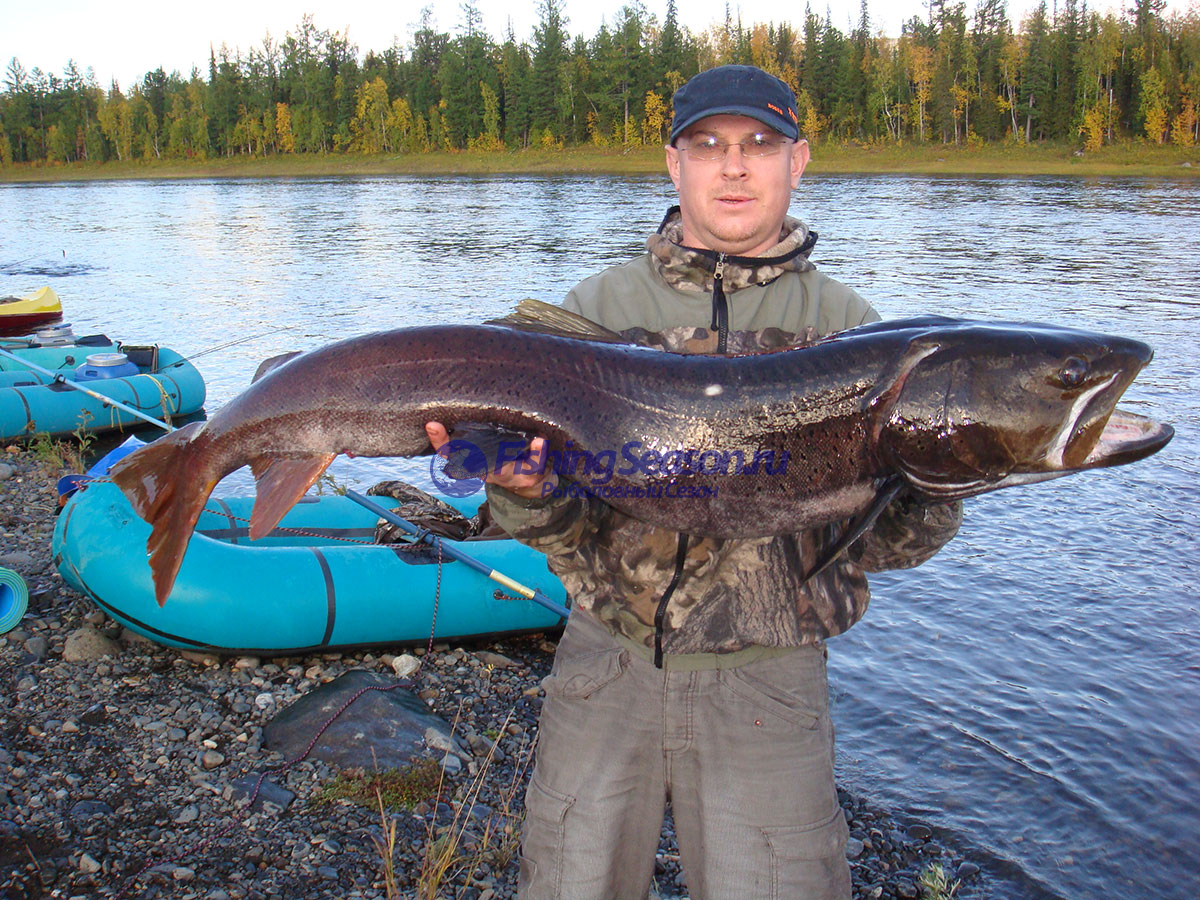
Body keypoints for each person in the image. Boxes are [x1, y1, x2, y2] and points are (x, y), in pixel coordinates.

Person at [426, 65, 962, 900]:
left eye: (760, 145)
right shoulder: (595, 311)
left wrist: (937, 477)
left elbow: (885, 545)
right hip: (605, 665)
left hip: (771, 682)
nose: (735, 166)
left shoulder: (851, 330)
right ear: (675, 165)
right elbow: (560, 526)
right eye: (709, 145)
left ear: (798, 163)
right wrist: (526, 493)